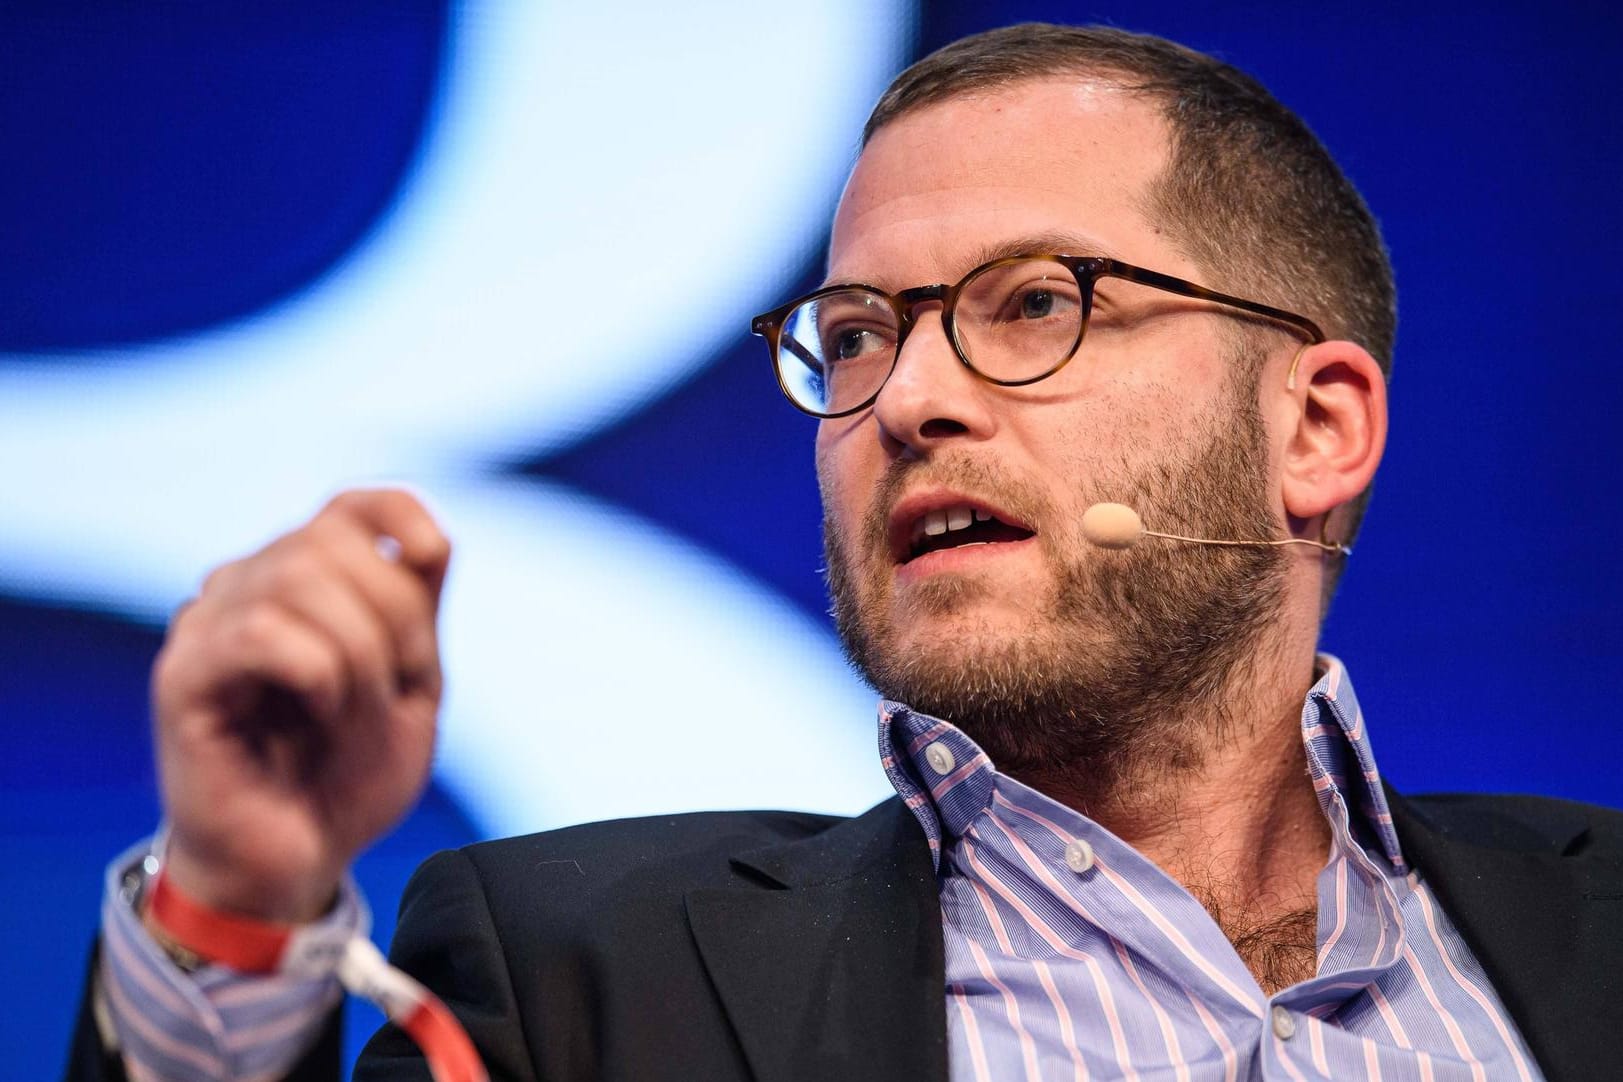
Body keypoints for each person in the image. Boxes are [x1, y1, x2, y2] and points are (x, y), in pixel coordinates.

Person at [66, 22, 1621, 1082]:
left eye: (1033, 303)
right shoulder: (585, 985)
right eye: (857, 333)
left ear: (1318, 427)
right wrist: (238, 898)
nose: (910, 400)